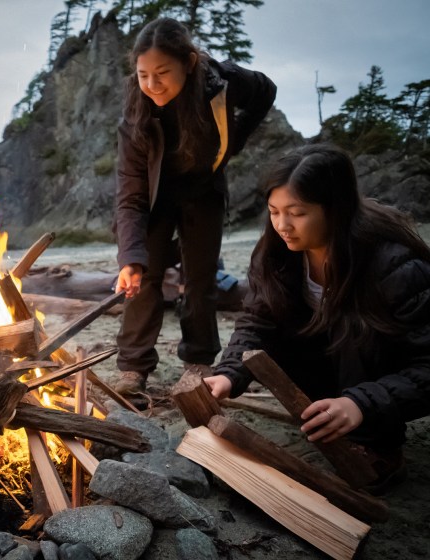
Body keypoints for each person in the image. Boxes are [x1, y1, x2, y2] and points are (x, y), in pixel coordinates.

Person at [204, 144, 430, 492]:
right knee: (277, 334)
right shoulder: (278, 254)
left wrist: (360, 403)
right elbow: (257, 321)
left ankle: (377, 445)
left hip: (376, 372)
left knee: (357, 331)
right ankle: (329, 412)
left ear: (335, 209)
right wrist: (229, 372)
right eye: (274, 211)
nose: (282, 225)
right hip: (324, 368)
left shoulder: (393, 265)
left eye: (297, 212)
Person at [113, 17, 277, 395]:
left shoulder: (223, 82)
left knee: (200, 277)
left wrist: (236, 138)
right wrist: (129, 257)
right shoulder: (135, 116)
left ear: (188, 62)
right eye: (143, 74)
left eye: (162, 73)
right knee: (144, 276)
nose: (152, 85)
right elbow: (131, 196)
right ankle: (133, 369)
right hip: (154, 195)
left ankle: (199, 361)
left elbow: (266, 90)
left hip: (203, 187)